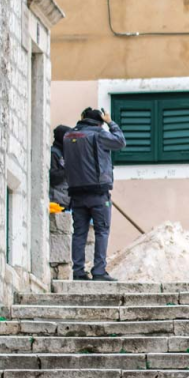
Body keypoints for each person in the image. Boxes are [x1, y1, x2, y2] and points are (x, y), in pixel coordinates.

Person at [63, 107, 125, 281]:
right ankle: (99, 271)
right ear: (99, 121)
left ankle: (78, 271)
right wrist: (110, 122)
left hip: (76, 192)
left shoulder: (68, 136)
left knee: (79, 232)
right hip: (98, 192)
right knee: (101, 231)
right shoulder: (99, 134)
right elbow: (120, 142)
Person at [48, 125, 71, 210]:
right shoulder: (53, 153)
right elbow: (53, 177)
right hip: (56, 201)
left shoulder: (65, 153)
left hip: (65, 200)